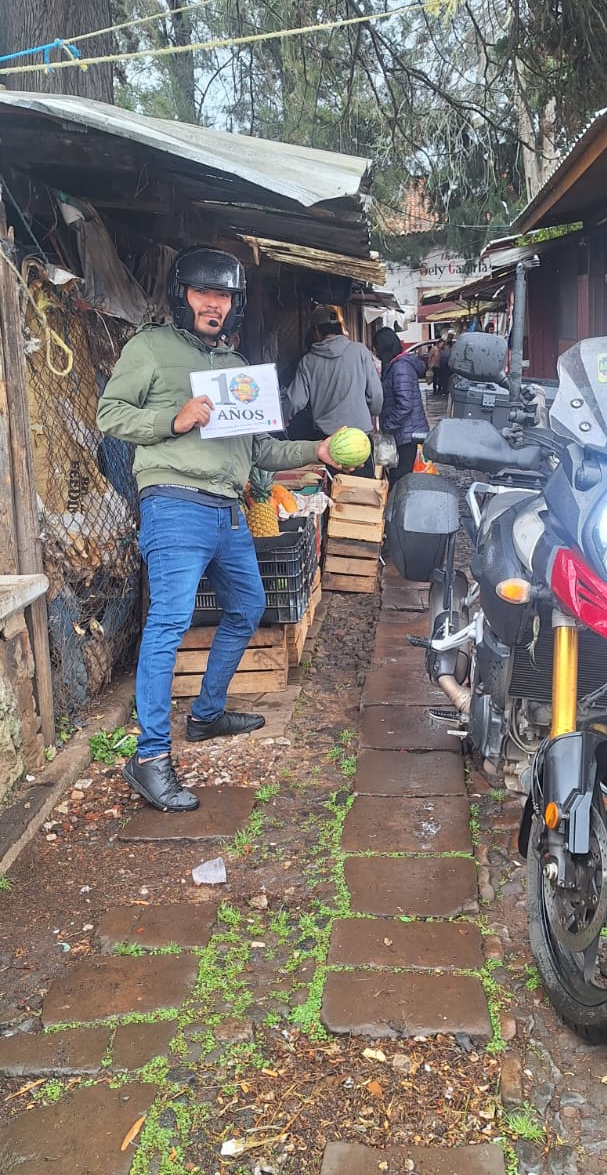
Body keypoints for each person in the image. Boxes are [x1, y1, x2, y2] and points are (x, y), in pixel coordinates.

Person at [97, 248, 339, 815]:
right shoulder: (150, 348)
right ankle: (151, 756)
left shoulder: (235, 364)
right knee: (171, 622)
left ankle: (206, 715)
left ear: (233, 304)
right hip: (175, 503)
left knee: (249, 605)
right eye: (203, 293)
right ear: (182, 296)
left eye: (223, 295)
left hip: (229, 509)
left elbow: (262, 450)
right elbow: (109, 414)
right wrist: (173, 418)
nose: (213, 303)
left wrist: (318, 448)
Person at [283, 303, 383, 476]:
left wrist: (284, 417)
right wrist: (372, 412)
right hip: (360, 439)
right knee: (364, 494)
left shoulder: (308, 361)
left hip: (327, 442)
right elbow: (376, 396)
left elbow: (296, 400)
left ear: (316, 331)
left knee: (330, 495)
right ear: (339, 327)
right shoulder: (360, 352)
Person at [372, 327, 428, 484]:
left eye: (375, 347)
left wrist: (388, 426)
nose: (374, 351)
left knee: (401, 479)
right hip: (405, 433)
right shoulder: (394, 365)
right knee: (400, 477)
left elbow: (405, 405)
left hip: (408, 435)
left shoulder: (400, 367)